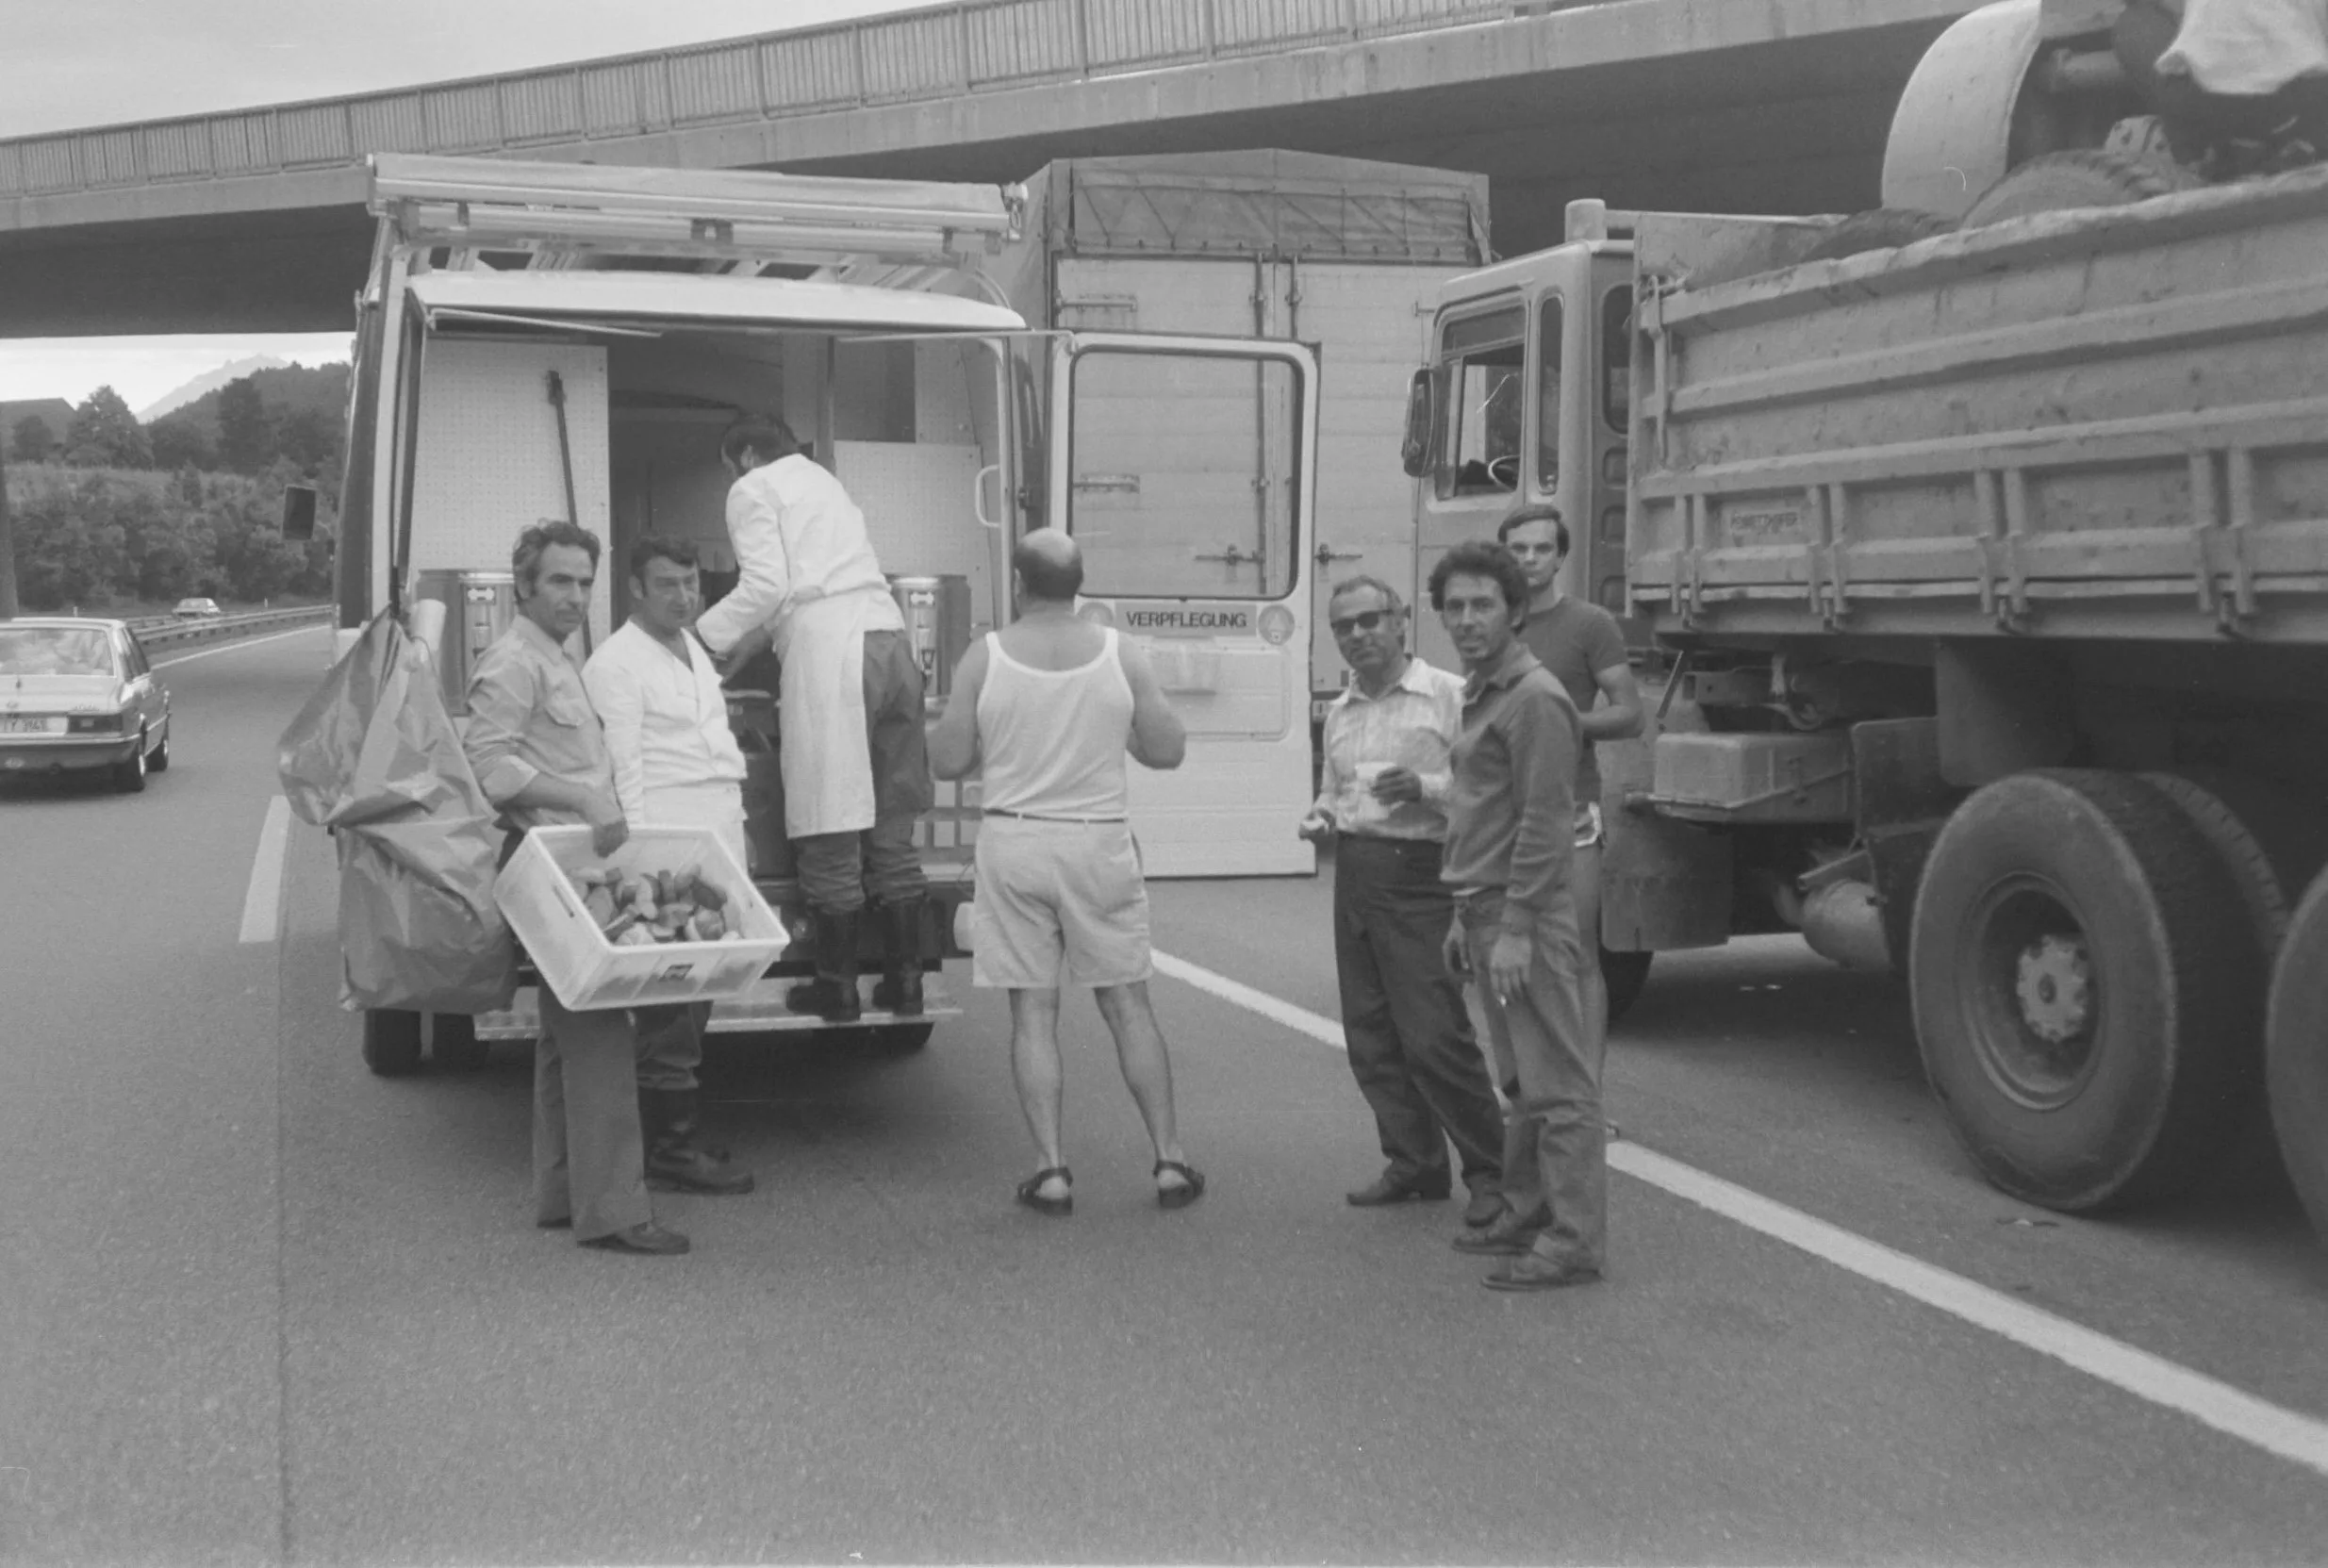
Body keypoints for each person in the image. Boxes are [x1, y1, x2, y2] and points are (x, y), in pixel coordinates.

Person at [927, 529, 1203, 1217]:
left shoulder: (981, 657)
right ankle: (1169, 1160)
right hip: (1097, 842)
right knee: (1127, 1003)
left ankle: (1050, 1170)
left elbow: (948, 760)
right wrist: (1121, 733)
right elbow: (1167, 748)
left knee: (1033, 1011)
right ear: (1079, 583)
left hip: (1014, 841)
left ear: (1018, 583)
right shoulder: (1119, 651)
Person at [464, 520, 687, 1257]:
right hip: (549, 869)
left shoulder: (556, 656)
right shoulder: (513, 663)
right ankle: (617, 1210)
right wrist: (585, 799)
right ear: (524, 584)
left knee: (566, 1040)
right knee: (599, 1040)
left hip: (574, 869)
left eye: (584, 582)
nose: (574, 595)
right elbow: (487, 768)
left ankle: (566, 1195)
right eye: (559, 580)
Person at [692, 415, 934, 1023]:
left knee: (831, 816)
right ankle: (907, 985)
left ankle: (837, 987)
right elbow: (806, 590)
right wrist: (748, 645)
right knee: (890, 822)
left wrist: (694, 638)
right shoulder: (824, 484)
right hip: (890, 641)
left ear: (746, 456)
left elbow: (770, 585)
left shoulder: (753, 488)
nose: (730, 478)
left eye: (728, 466)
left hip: (834, 655)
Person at [1461, 504, 1640, 1255]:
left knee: (1566, 982)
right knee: (1520, 1037)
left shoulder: (1581, 630)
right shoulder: (1491, 648)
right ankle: (1531, 1198)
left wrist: (1566, 721)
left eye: (1542, 548)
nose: (1530, 559)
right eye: (1518, 549)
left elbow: (1627, 713)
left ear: (1557, 558)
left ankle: (1578, 1120)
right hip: (1501, 857)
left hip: (1567, 824)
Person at [1299, 575, 1505, 1228]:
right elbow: (1336, 789)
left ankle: (1494, 1175)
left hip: (1422, 872)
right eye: (1343, 626)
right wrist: (1320, 814)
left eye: (1368, 620)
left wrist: (1422, 786)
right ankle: (1414, 1161)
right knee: (1372, 1034)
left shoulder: (1448, 695)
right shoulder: (1341, 709)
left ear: (1399, 621)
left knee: (1435, 1035)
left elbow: (1486, 786)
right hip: (1358, 871)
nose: (1357, 635)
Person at [1430, 538, 1603, 1291]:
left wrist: (1517, 929)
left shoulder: (1533, 697)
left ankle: (1573, 1241)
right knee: (1522, 1082)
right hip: (1485, 906)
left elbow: (1544, 821)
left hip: (1519, 910)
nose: (1466, 619)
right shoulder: (1484, 690)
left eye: (1482, 605)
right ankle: (1528, 1214)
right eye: (1454, 607)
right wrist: (1460, 917)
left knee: (1559, 1087)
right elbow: (1481, 814)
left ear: (1515, 611)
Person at [582, 535, 755, 1199]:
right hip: (667, 842)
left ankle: (672, 1136)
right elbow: (623, 770)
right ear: (634, 588)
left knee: (698, 990)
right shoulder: (616, 664)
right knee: (671, 1000)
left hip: (717, 831)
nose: (683, 596)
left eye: (691, 583)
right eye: (666, 585)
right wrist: (642, 867)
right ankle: (670, 1150)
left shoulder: (694, 651)